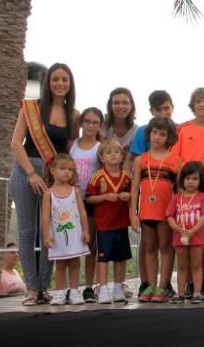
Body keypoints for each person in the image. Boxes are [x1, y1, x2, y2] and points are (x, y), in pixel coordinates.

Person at [9, 62, 78, 305]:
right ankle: (31, 288)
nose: (60, 83)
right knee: (28, 231)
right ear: (48, 82)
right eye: (55, 79)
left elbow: (72, 150)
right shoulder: (31, 108)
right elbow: (16, 143)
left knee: (51, 230)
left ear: (70, 84)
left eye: (65, 80)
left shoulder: (74, 115)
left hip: (54, 175)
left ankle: (44, 288)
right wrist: (31, 173)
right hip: (26, 170)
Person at [130, 117, 182, 303]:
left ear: (169, 137)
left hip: (166, 213)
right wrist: (133, 214)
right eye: (154, 132)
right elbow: (135, 188)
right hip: (146, 211)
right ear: (149, 133)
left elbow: (180, 191)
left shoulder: (176, 161)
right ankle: (151, 285)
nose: (157, 137)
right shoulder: (140, 160)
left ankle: (163, 286)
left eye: (162, 134)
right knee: (150, 248)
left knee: (166, 248)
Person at [175, 87, 204, 298]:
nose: (202, 105)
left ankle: (202, 281)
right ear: (193, 105)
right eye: (198, 101)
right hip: (186, 188)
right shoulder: (182, 129)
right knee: (184, 234)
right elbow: (177, 159)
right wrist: (185, 183)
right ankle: (187, 285)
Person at [85, 140, 132, 304]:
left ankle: (118, 287)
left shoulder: (126, 177)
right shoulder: (98, 176)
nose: (113, 155)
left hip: (121, 223)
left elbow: (132, 195)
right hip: (104, 225)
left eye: (116, 152)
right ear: (102, 157)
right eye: (108, 152)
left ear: (122, 156)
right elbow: (89, 198)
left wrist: (129, 196)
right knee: (103, 258)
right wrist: (104, 197)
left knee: (121, 258)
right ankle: (103, 288)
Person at [41, 154, 90, 305]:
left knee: (75, 262)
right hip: (58, 237)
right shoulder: (48, 193)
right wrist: (46, 236)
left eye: (70, 169)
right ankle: (60, 293)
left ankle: (75, 291)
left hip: (75, 234)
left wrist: (86, 230)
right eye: (63, 169)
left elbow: (82, 212)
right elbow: (45, 217)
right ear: (52, 170)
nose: (67, 172)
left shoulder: (75, 191)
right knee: (60, 264)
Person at [166, 162, 204, 304]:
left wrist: (192, 231)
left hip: (197, 236)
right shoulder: (176, 198)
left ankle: (197, 293)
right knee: (181, 265)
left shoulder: (203, 197)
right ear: (182, 179)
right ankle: (180, 293)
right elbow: (169, 215)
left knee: (196, 264)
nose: (190, 182)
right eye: (187, 178)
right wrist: (177, 228)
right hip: (179, 236)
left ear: (200, 181)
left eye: (194, 179)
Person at [70, 106, 102, 302]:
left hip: (91, 200)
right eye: (87, 121)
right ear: (81, 123)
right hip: (71, 200)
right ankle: (69, 287)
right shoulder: (71, 145)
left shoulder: (100, 147)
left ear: (100, 125)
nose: (90, 125)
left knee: (90, 244)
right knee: (70, 243)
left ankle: (89, 286)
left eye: (95, 122)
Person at [101, 87, 137, 165]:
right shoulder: (103, 127)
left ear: (131, 105)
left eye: (125, 103)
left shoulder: (137, 130)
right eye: (116, 103)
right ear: (110, 105)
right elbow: (101, 152)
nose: (120, 106)